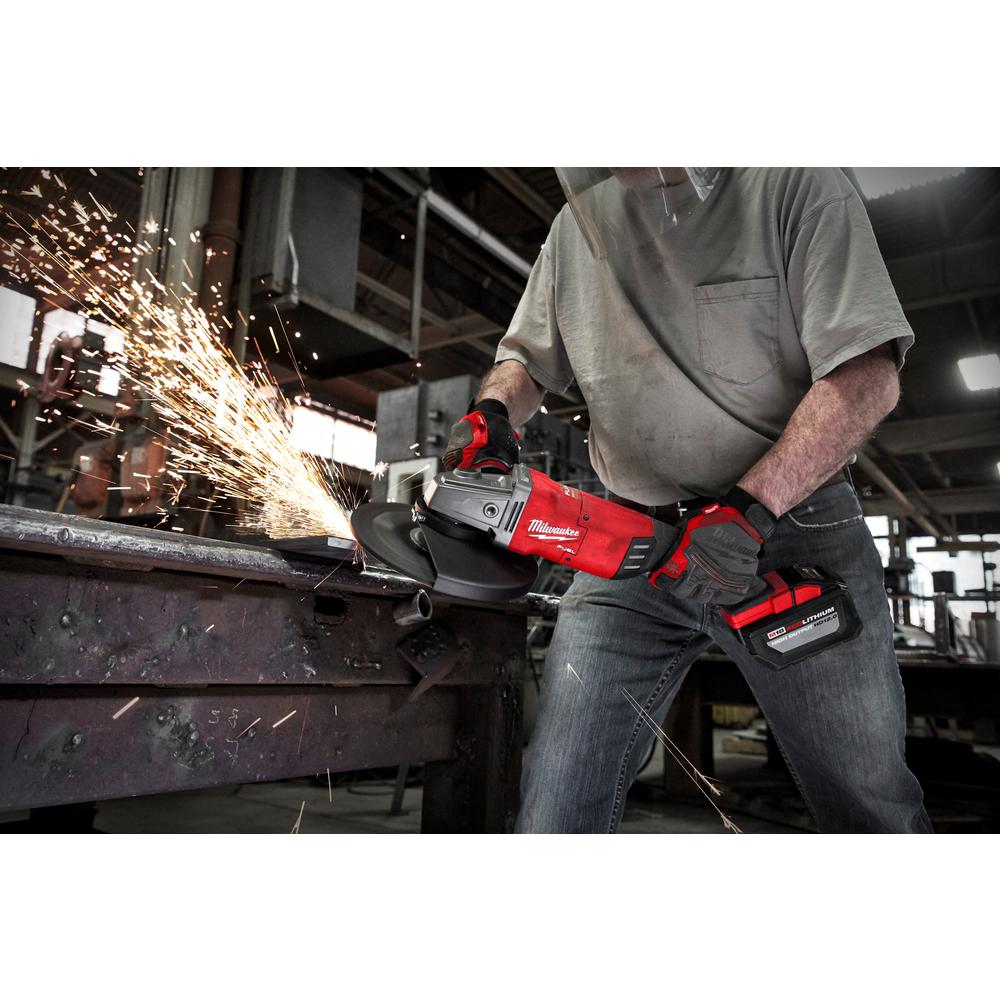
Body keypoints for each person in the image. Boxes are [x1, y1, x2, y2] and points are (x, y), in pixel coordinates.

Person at [443, 167, 932, 834]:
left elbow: (866, 374)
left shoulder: (796, 184)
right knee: (558, 794)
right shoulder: (576, 225)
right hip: (629, 546)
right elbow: (525, 359)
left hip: (790, 533)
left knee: (866, 803)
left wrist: (751, 510)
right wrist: (494, 410)